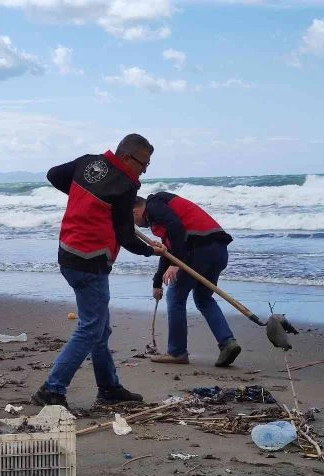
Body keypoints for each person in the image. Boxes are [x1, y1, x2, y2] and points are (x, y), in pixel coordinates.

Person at [31, 134, 166, 408]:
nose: (145, 170)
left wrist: (84, 198)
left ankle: (109, 388)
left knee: (99, 330)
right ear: (128, 158)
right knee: (91, 329)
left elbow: (54, 174)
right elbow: (126, 236)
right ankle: (52, 389)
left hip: (68, 254)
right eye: (144, 163)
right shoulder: (125, 184)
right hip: (91, 261)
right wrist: (151, 251)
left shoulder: (88, 163)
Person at [133, 192, 241, 367]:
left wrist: (177, 263)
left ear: (135, 212)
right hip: (218, 250)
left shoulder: (154, 205)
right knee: (204, 298)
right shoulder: (163, 209)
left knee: (175, 298)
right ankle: (228, 342)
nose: (139, 225)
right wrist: (157, 282)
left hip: (198, 249)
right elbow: (168, 249)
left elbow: (176, 229)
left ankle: (177, 352)